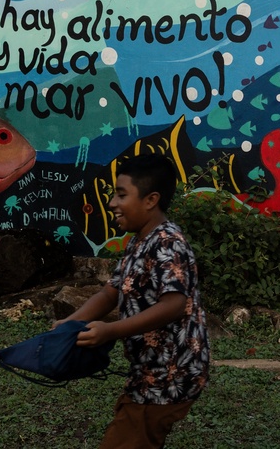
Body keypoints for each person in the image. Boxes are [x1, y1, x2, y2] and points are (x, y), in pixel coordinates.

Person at [57, 153, 210, 449]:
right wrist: (71, 322)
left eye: (121, 194)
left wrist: (110, 330)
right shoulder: (138, 241)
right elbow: (109, 293)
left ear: (151, 200)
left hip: (169, 375)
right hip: (147, 373)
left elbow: (174, 304)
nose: (112, 203)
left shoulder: (168, 242)